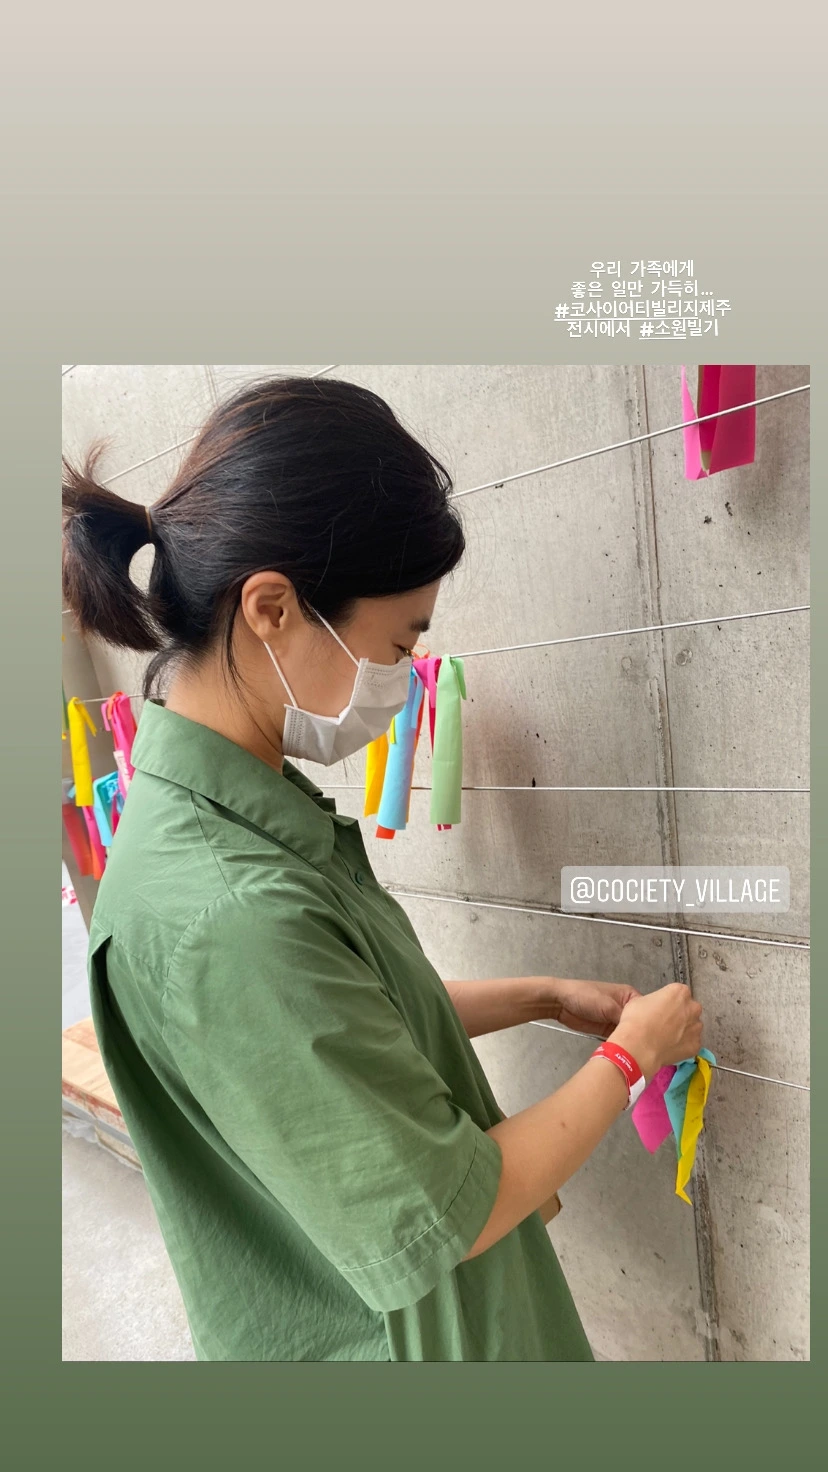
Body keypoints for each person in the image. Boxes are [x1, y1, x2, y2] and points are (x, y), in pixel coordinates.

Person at [61, 375, 704, 1362]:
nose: (400, 682)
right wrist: (632, 1056)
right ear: (272, 607)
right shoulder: (228, 912)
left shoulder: (220, 823)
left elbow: (342, 1020)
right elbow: (459, 1207)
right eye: (398, 643)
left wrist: (538, 995)